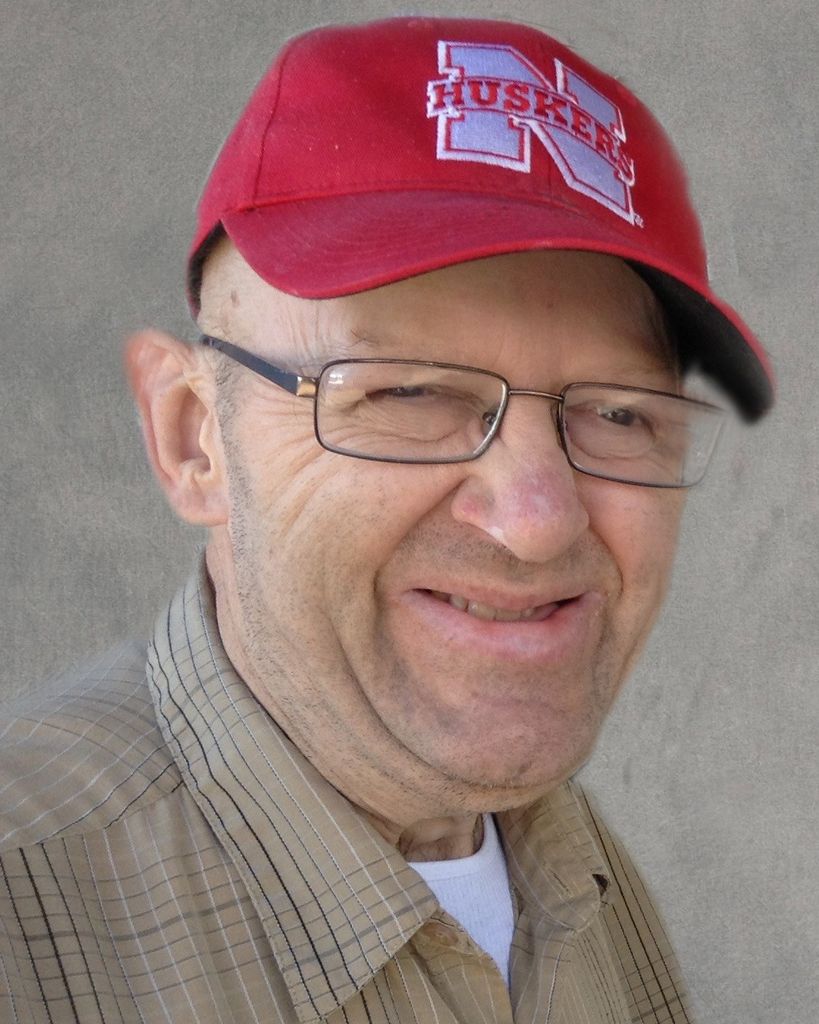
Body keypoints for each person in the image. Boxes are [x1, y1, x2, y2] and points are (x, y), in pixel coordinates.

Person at [0, 15, 773, 1024]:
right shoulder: (25, 913)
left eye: (619, 413)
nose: (538, 522)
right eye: (407, 393)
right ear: (194, 439)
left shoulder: (574, 864)